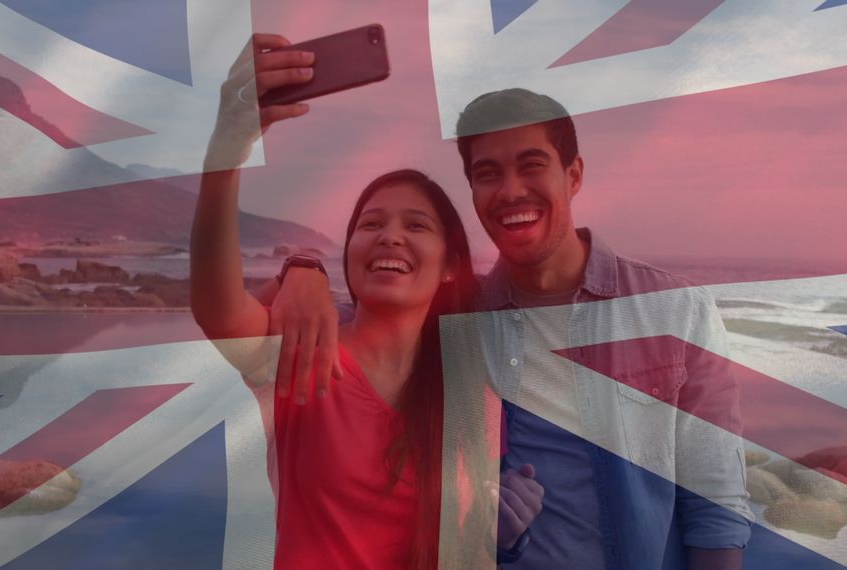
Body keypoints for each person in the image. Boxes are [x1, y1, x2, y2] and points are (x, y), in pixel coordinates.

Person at [272, 88, 754, 568]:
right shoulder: (458, 316)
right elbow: (361, 314)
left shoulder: (673, 311)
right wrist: (301, 269)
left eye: (531, 165)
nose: (510, 191)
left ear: (574, 175)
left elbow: (715, 501)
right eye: (487, 174)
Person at [190, 35, 542, 569]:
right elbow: (216, 307)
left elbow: (468, 550)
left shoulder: (476, 396)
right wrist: (226, 150)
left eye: (415, 225)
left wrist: (509, 537)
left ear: (450, 264)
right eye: (369, 224)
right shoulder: (306, 358)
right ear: (350, 253)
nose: (389, 237)